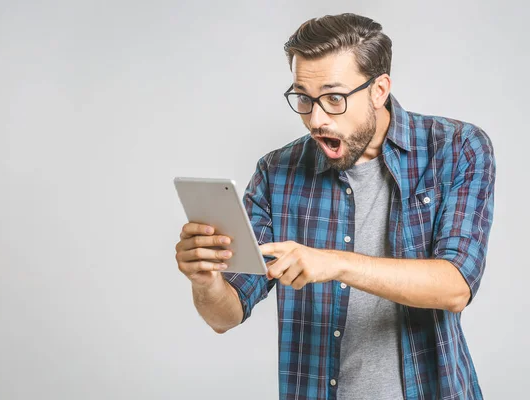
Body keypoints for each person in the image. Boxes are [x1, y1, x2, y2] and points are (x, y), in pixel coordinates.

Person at [174, 13, 495, 400]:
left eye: (334, 98)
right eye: (304, 99)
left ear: (379, 90)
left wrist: (335, 262)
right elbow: (224, 316)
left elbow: (455, 286)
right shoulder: (276, 173)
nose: (316, 118)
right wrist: (205, 281)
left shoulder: (456, 148)